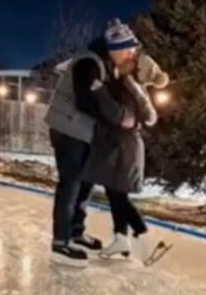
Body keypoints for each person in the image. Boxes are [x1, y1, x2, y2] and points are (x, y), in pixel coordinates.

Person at [44, 20, 137, 266]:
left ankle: (76, 231)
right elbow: (85, 102)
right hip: (68, 130)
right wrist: (116, 118)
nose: (131, 56)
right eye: (128, 51)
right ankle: (60, 243)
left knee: (85, 184)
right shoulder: (88, 63)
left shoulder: (106, 65)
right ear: (114, 49)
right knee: (71, 184)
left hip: (85, 133)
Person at [82, 20, 171, 265]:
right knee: (114, 192)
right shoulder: (122, 79)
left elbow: (119, 115)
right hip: (119, 144)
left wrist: (98, 90)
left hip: (124, 146)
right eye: (123, 50)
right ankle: (121, 239)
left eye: (129, 51)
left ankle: (145, 236)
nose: (127, 54)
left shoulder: (130, 84)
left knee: (119, 196)